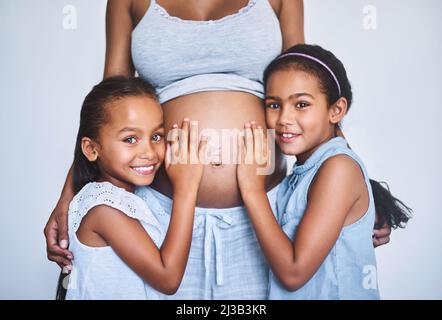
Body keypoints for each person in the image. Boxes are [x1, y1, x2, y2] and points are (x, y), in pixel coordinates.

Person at [45, 0, 391, 299]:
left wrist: (361, 189)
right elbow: (106, 107)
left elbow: (307, 85)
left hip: (267, 214)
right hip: (161, 213)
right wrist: (70, 193)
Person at [236, 44, 412, 299]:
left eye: (302, 104)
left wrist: (252, 191)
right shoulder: (302, 173)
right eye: (274, 105)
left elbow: (293, 273)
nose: (284, 118)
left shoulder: (338, 168)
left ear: (336, 110)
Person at [58, 76, 207, 299]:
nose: (148, 152)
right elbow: (168, 278)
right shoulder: (105, 209)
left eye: (156, 136)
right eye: (130, 139)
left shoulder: (128, 198)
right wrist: (186, 188)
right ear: (91, 149)